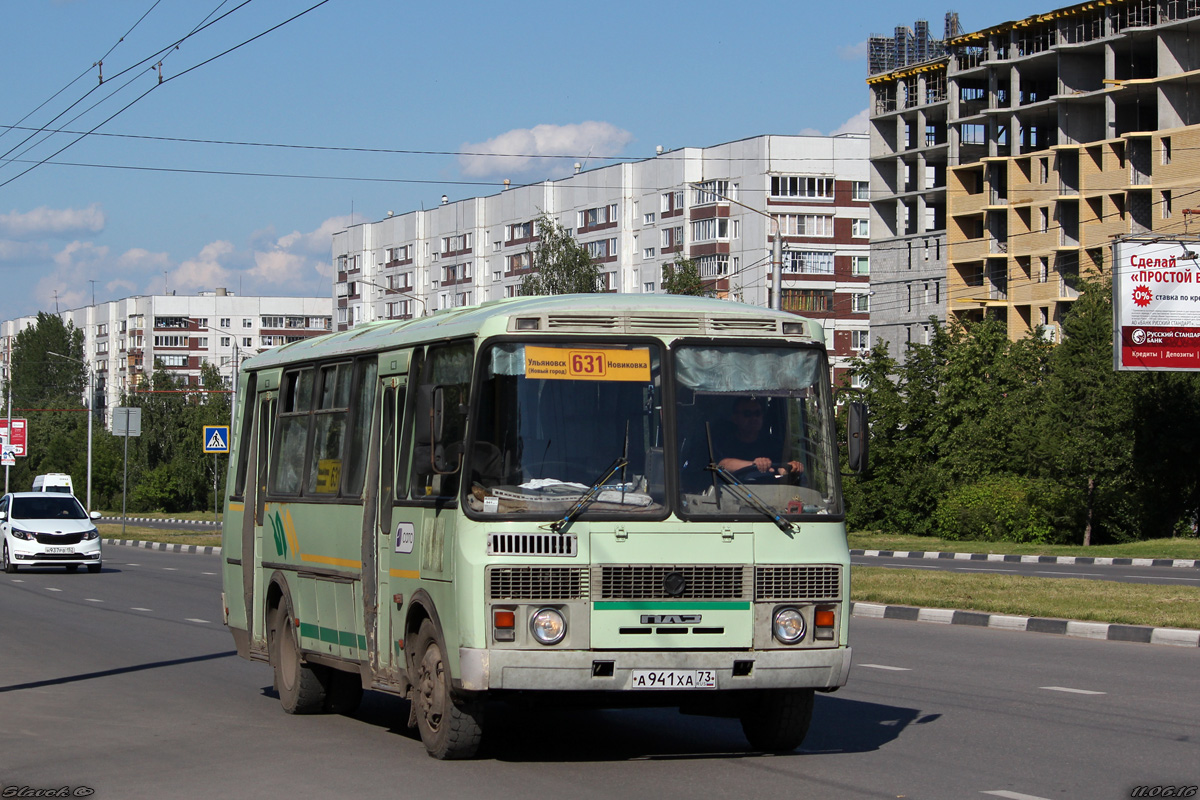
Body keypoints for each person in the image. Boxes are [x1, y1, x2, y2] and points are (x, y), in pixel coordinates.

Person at [713, 397, 803, 480]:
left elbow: (782, 469)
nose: (754, 418)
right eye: (747, 414)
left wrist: (793, 468)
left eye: (757, 413)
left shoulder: (773, 443)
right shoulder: (725, 443)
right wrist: (755, 464)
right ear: (735, 418)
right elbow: (723, 464)